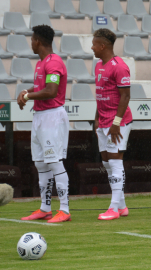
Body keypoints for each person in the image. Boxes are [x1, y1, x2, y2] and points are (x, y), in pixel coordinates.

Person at [18, 25, 71, 223]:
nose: (30, 43)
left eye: (32, 39)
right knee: (41, 164)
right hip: (40, 116)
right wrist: (26, 91)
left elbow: (51, 91)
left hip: (52, 117)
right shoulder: (42, 63)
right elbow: (42, 86)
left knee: (55, 162)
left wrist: (29, 95)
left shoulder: (54, 62)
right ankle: (45, 208)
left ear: (38, 41)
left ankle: (64, 210)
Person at [91, 28, 132, 220]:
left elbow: (125, 96)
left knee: (115, 161)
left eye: (94, 44)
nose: (92, 48)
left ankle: (114, 208)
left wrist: (116, 123)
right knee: (107, 162)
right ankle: (122, 206)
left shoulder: (120, 66)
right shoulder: (99, 65)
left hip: (118, 121)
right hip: (104, 121)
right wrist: (97, 116)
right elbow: (101, 94)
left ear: (102, 46)